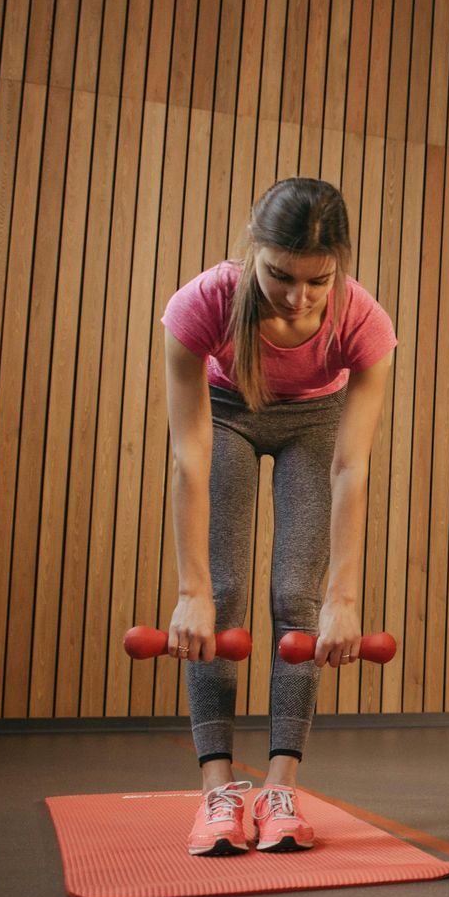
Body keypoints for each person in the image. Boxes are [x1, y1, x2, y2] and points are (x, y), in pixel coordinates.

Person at [161, 178, 397, 856]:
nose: (297, 298)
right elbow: (189, 458)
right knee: (223, 595)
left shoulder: (362, 321)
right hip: (225, 411)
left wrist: (344, 599)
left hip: (314, 423)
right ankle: (218, 790)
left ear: (340, 265)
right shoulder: (201, 304)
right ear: (252, 252)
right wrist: (190, 590)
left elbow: (351, 467)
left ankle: (281, 786)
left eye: (317, 281)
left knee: (300, 598)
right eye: (279, 276)